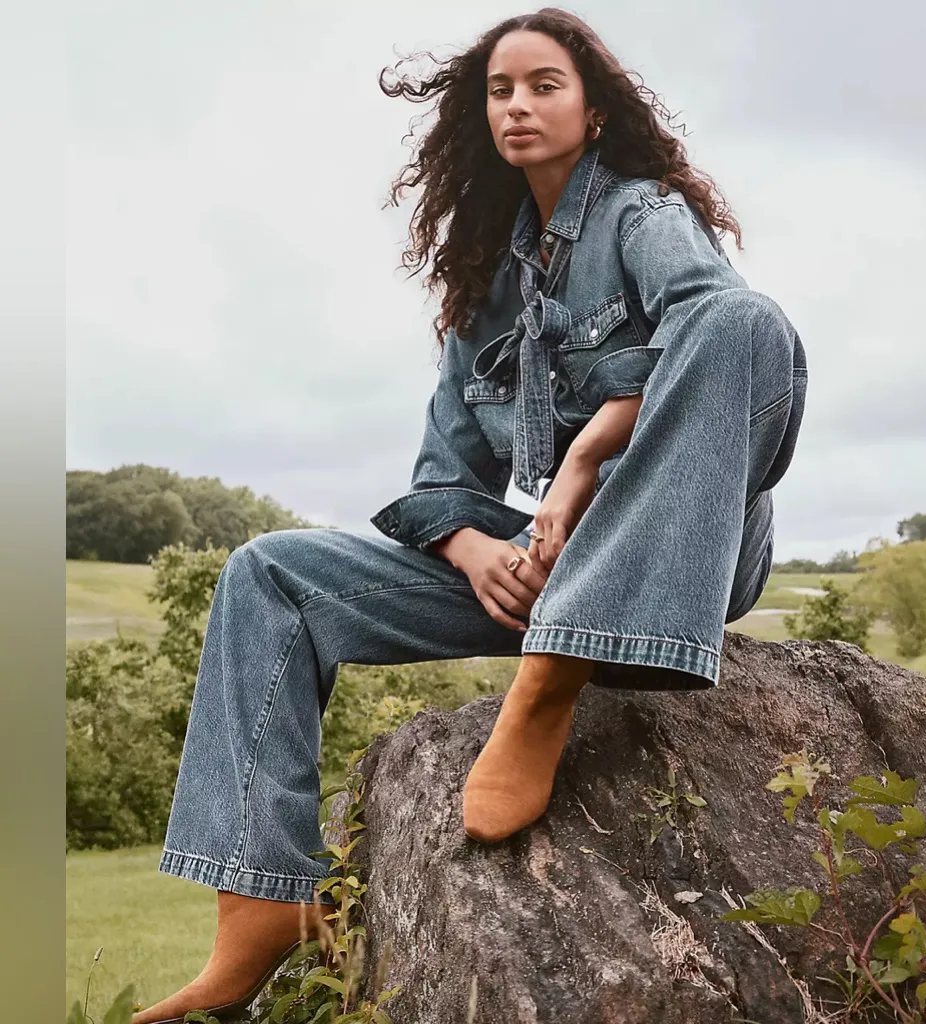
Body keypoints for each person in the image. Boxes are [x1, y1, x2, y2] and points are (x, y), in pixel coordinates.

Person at [131, 8, 807, 1022]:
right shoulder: (484, 283)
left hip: (684, 558)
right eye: (501, 89)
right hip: (554, 575)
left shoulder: (644, 214)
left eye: (544, 84)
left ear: (592, 106)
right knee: (267, 571)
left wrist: (581, 456)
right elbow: (439, 475)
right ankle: (257, 902)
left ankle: (547, 685)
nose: (520, 105)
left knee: (743, 319)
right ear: (478, 114)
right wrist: (475, 544)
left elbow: (714, 330)